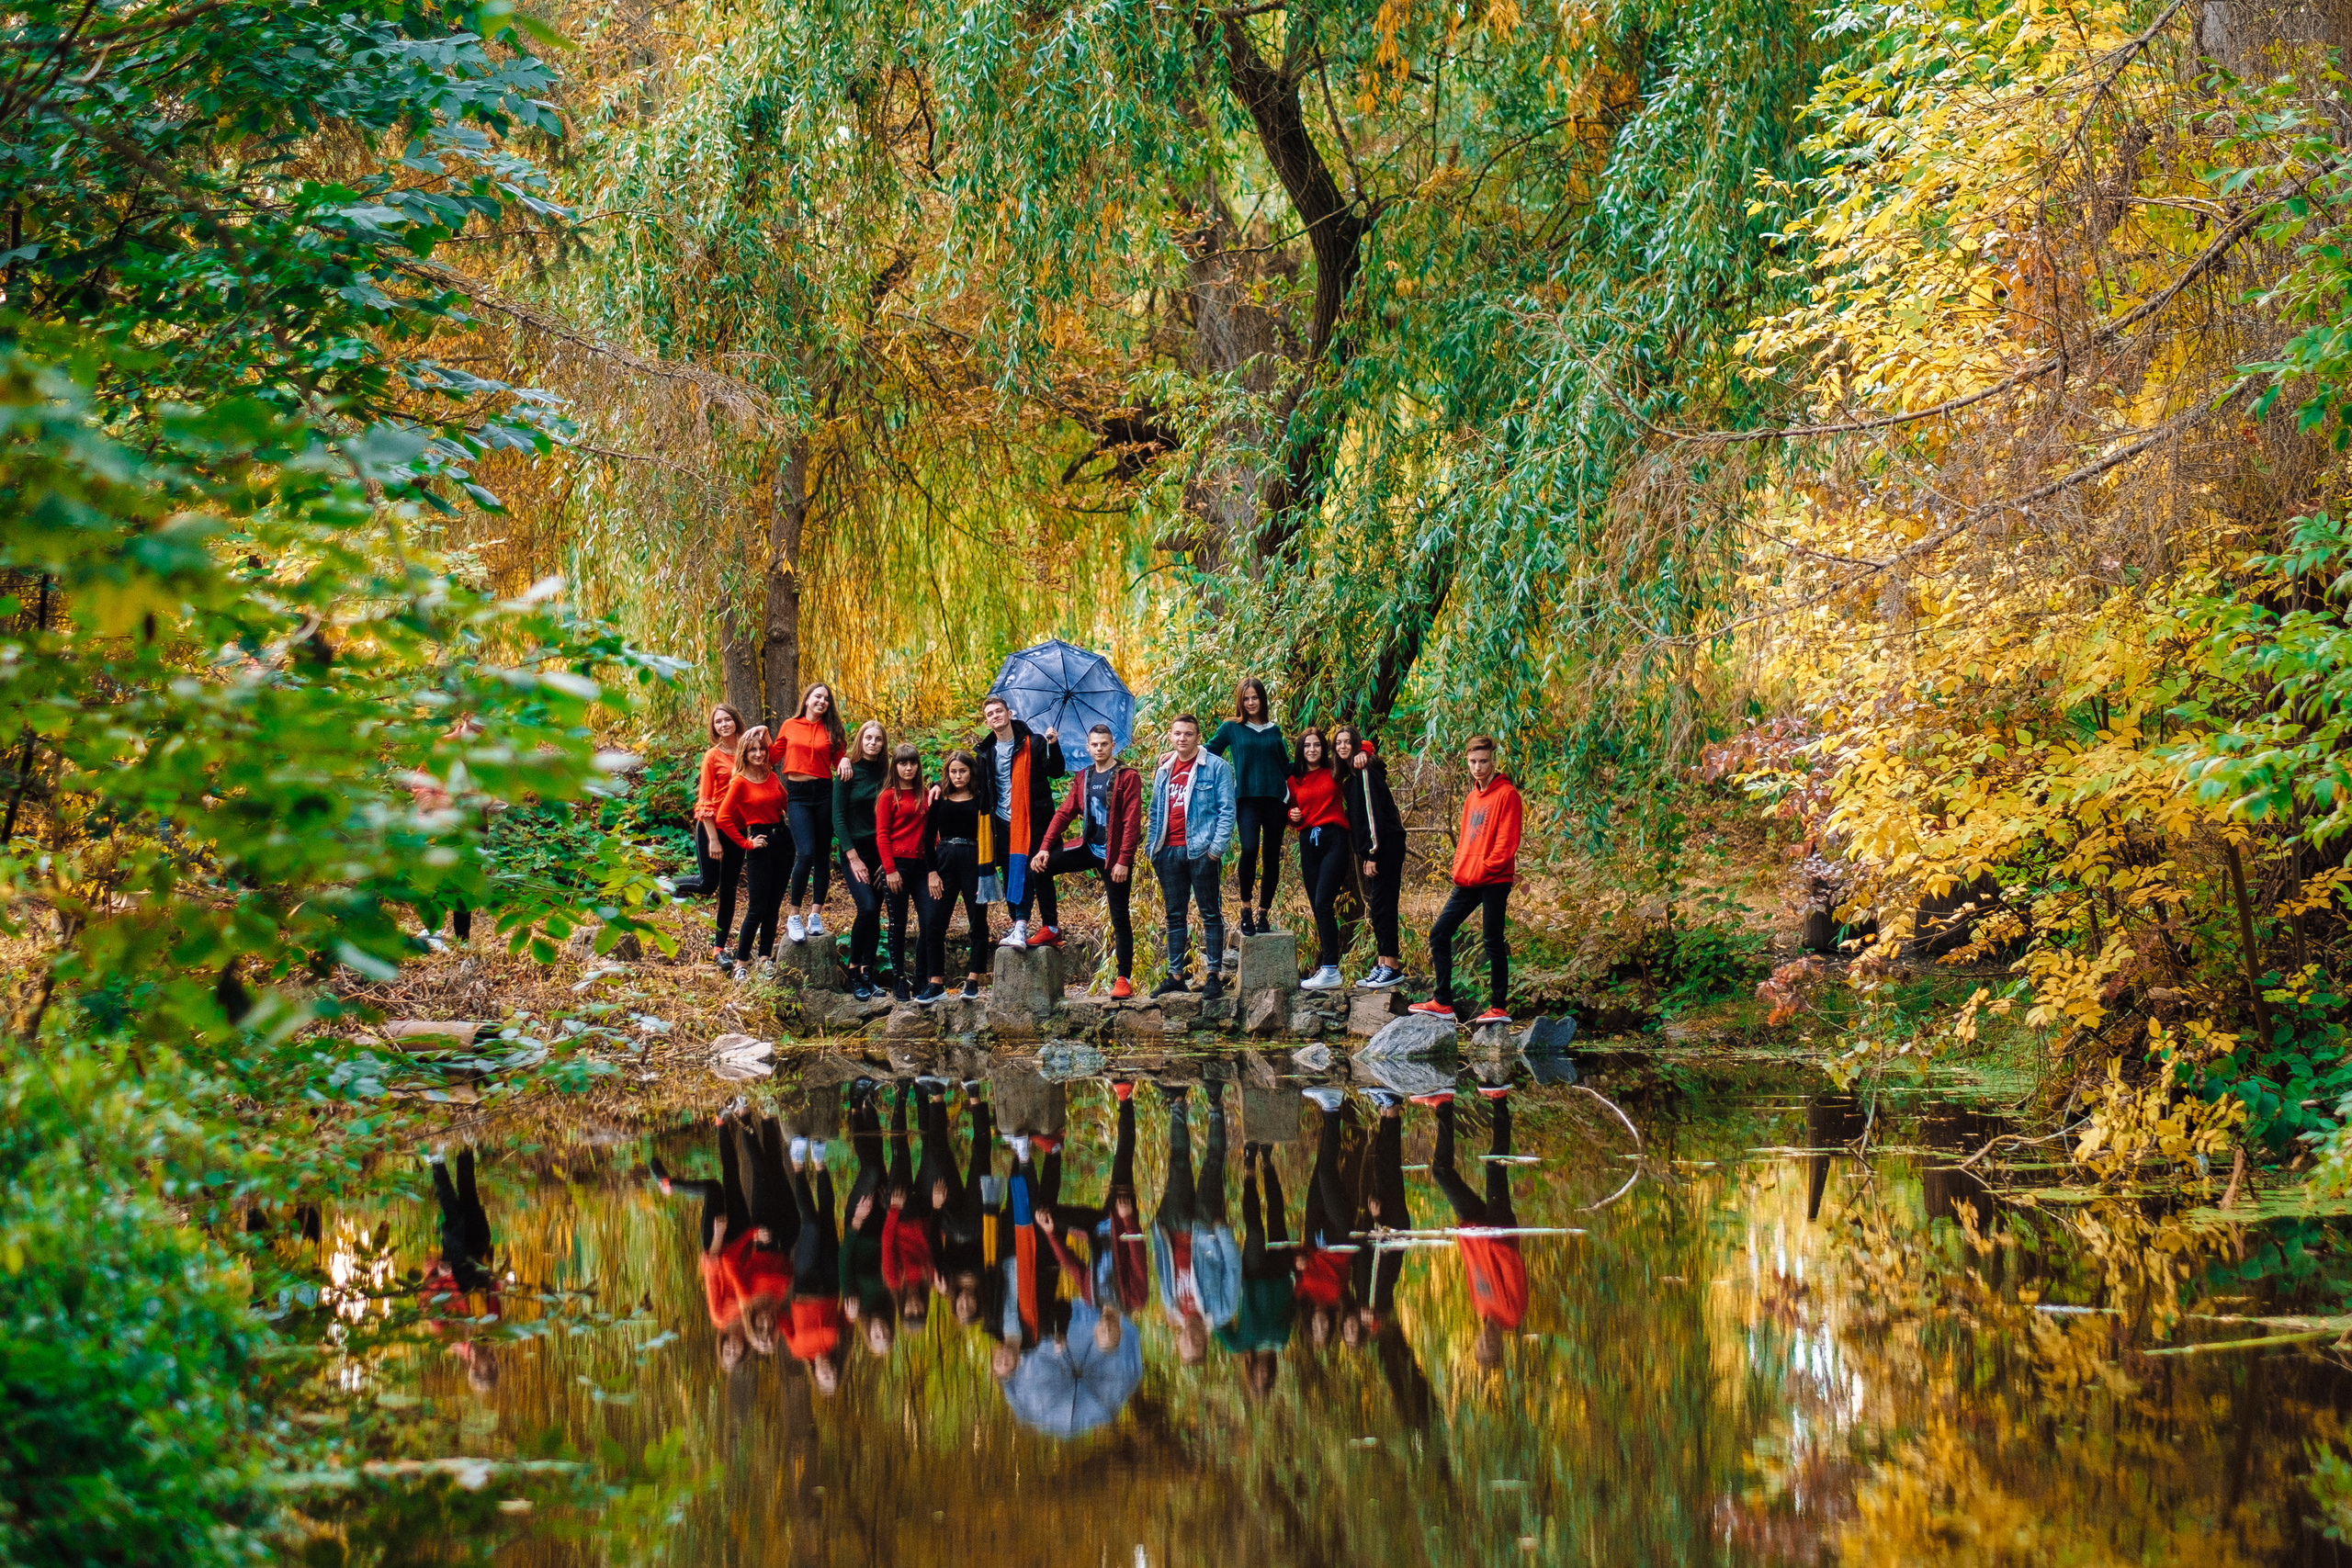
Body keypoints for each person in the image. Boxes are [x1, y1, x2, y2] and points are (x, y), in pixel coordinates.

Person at [1410, 735, 1524, 1025]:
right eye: (1473, 761)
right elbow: (1464, 840)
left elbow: (1507, 843)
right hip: (1468, 878)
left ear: (1493, 760)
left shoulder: (1507, 795)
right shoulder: (1471, 798)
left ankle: (1498, 1006)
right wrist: (1459, 867)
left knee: (1492, 940)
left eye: (1483, 761)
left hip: (1496, 878)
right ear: (1467, 762)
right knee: (1439, 933)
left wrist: (1484, 868)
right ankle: (1443, 1002)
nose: (1478, 767)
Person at [1033, 724, 1144, 998]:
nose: (1099, 749)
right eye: (1094, 744)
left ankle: (1123, 979)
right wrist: (1045, 847)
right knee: (1039, 866)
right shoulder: (1084, 776)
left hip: (1113, 855)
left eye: (1104, 744)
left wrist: (1124, 860)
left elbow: (1132, 822)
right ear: (1087, 747)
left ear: (1112, 745)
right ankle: (1051, 927)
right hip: (1088, 847)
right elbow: (1065, 812)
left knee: (1119, 916)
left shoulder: (1127, 776)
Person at [1424, 1084, 1526, 1371]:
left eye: (1479, 1344)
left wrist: (1463, 1236)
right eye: (1489, 1347)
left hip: (1477, 1233)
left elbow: (1472, 1267)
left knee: (1442, 1173)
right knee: (1495, 1166)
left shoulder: (1481, 1309)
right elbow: (1513, 1267)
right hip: (1499, 1231)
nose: (1484, 1340)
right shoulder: (1512, 1315)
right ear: (1500, 1346)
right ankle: (1500, 1100)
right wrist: (1493, 1240)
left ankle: (1443, 1105)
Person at [1145, 715, 1237, 998]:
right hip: (1167, 850)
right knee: (1174, 915)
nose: (1182, 738)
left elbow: (1227, 811)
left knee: (1210, 912)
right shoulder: (1164, 769)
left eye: (1188, 734)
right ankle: (1176, 975)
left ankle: (1212, 975)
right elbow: (1156, 810)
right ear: (1170, 736)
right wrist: (1152, 849)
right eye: (1177, 734)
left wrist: (1215, 851)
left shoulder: (1217, 767)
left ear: (1198, 737)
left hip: (1201, 851)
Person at [1148, 1078, 1238, 1364]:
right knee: (1212, 1164)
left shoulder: (1171, 1305)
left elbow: (1162, 1265)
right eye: (1195, 1343)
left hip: (1174, 1227)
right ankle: (1214, 1102)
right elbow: (1233, 1268)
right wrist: (1223, 1232)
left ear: (1177, 1341)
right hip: (1206, 1230)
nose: (1189, 1337)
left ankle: (1177, 1101)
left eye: (1184, 1342)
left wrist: (1155, 1232)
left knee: (1177, 1162)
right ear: (1206, 1341)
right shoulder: (1222, 1311)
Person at [970, 694, 1065, 951]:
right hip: (1002, 822)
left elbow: (1055, 771)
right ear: (987, 721)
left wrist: (1053, 745)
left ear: (1009, 713)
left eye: (999, 711)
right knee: (1010, 871)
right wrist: (938, 788)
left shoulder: (1032, 742)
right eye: (990, 714)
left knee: (1033, 871)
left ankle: (1032, 926)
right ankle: (1019, 925)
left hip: (1033, 820)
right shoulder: (986, 752)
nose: (995, 716)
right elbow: (974, 785)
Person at [1206, 678, 1290, 942]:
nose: (1251, 702)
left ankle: (1263, 912)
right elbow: (1208, 751)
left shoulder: (1274, 730)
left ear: (1262, 699)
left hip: (1276, 799)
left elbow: (1285, 767)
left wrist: (1323, 764)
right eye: (1246, 698)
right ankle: (1246, 910)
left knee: (1271, 857)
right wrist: (1174, 755)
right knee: (1250, 848)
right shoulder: (1232, 727)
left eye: (1255, 697)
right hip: (1247, 800)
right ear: (1240, 701)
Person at [1334, 724, 1407, 990]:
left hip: (1386, 845)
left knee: (1384, 905)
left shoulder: (1363, 773)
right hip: (1377, 848)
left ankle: (1392, 967)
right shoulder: (1352, 775)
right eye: (1338, 743)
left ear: (1356, 744)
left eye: (1347, 742)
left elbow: (1373, 815)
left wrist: (1372, 853)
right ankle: (1382, 962)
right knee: (1378, 907)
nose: (1342, 746)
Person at [422, 1145, 502, 1391]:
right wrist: (495, 1276)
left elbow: (428, 1304)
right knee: (471, 1206)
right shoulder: (494, 1330)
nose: (491, 1359)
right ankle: (465, 1147)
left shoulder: (452, 1339)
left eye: (487, 1366)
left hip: (454, 1271)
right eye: (494, 1364)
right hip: (477, 1264)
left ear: (473, 1368)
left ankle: (436, 1160)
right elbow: (494, 1293)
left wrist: (438, 1275)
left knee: (453, 1217)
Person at [1221, 1138, 1296, 1395]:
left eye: (1257, 1378)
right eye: (1266, 1378)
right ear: (1273, 1373)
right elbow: (1293, 1306)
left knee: (1254, 1230)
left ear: (1250, 1373)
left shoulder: (1240, 1345)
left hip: (1252, 1278)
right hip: (1279, 1274)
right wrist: (1296, 1273)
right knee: (1276, 1216)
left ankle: (1249, 1169)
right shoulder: (1282, 1342)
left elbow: (1216, 1321)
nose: (1262, 1374)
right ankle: (1267, 1162)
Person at [777, 682, 849, 945]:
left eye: (827, 699)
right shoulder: (789, 726)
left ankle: (815, 915)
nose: (822, 701)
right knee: (805, 852)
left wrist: (844, 759)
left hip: (824, 793)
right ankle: (794, 915)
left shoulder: (832, 729)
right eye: (817, 696)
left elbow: (839, 760)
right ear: (807, 699)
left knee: (821, 856)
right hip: (797, 794)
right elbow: (772, 754)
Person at [1286, 727, 1352, 991]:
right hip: (1307, 843)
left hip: (1333, 838)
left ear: (1323, 749)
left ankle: (1330, 969)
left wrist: (1364, 751)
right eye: (1307, 746)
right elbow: (1290, 808)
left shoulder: (1335, 770)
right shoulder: (1295, 779)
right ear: (1301, 750)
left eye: (1316, 745)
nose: (1312, 750)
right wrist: (1291, 815)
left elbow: (1363, 750)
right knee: (1317, 906)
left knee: (1324, 901)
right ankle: (1328, 969)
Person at [716, 726, 787, 968]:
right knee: (757, 908)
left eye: (762, 749)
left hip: (783, 842)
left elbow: (788, 804)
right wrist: (746, 843)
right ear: (744, 754)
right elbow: (723, 817)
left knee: (774, 905)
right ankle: (741, 963)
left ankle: (765, 957)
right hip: (760, 843)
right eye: (753, 750)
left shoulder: (772, 776)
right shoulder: (739, 781)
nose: (759, 754)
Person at [922, 751, 991, 1001]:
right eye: (953, 771)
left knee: (978, 921)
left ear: (971, 771)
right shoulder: (939, 798)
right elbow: (928, 838)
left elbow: (989, 771)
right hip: (944, 861)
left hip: (974, 860)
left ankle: (973, 980)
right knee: (934, 923)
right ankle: (935, 983)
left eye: (962, 770)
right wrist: (932, 872)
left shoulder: (982, 798)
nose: (958, 775)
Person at [874, 744, 938, 1005]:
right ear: (895, 766)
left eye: (912, 763)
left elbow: (932, 832)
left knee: (930, 921)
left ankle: (921, 978)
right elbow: (882, 835)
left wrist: (935, 867)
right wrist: (889, 870)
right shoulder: (888, 796)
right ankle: (899, 979)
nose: (908, 768)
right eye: (903, 763)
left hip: (922, 866)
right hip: (897, 866)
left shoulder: (924, 794)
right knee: (897, 923)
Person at [832, 719, 891, 998]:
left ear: (883, 744)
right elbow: (838, 818)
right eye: (868, 738)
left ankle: (869, 975)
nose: (873, 743)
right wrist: (852, 857)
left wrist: (887, 858)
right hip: (854, 852)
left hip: (880, 852)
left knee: (875, 913)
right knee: (866, 907)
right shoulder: (847, 772)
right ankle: (853, 972)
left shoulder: (886, 775)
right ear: (861, 741)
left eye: (878, 739)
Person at [684, 705, 747, 964]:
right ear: (714, 727)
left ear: (736, 721)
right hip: (711, 827)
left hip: (738, 828)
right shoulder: (712, 756)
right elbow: (705, 799)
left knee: (729, 889)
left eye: (728, 719)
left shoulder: (748, 753)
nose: (723, 725)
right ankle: (661, 886)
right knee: (708, 884)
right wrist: (713, 838)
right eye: (718, 721)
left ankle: (719, 949)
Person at [786, 1134, 845, 1393]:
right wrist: (851, 1312)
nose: (827, 1372)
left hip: (805, 1283)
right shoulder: (838, 1344)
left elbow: (780, 1318)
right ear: (836, 1368)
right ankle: (819, 1161)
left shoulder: (798, 1351)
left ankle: (797, 1164)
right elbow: (848, 1318)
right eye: (833, 1374)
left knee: (810, 1224)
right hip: (832, 1284)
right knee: (827, 1217)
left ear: (816, 1377)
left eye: (825, 1377)